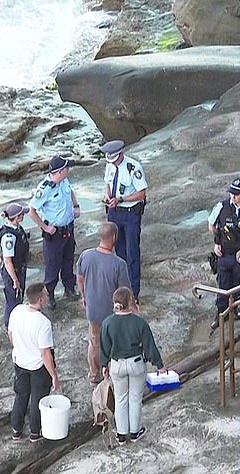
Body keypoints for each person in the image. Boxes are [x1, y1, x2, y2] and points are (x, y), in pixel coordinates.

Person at [100, 286, 164, 445]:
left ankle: (121, 435)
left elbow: (104, 347)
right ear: (131, 302)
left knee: (121, 400)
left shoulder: (107, 322)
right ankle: (135, 433)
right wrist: (159, 365)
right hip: (136, 364)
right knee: (135, 399)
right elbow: (150, 346)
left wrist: (104, 365)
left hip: (117, 365)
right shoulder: (140, 322)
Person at [77, 222, 131, 385]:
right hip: (112, 314)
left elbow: (80, 279)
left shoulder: (85, 255)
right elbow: (125, 291)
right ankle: (112, 374)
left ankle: (94, 375)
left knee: (94, 342)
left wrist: (84, 296)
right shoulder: (119, 264)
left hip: (93, 310)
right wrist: (133, 308)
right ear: (114, 237)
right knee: (115, 344)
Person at [8, 282, 60, 442]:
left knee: (21, 396)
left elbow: (10, 334)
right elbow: (45, 353)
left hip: (20, 361)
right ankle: (34, 433)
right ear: (40, 300)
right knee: (38, 398)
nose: (48, 296)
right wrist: (54, 376)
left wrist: (20, 348)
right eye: (45, 294)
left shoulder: (16, 311)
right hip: (38, 366)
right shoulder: (43, 323)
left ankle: (16, 430)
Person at [29, 155, 81, 310]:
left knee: (68, 260)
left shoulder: (64, 181)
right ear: (59, 171)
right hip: (54, 233)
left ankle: (69, 289)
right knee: (52, 266)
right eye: (66, 168)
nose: (68, 170)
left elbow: (70, 191)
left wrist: (76, 205)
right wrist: (44, 228)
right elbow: (32, 211)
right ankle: (49, 295)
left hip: (68, 228)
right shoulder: (44, 189)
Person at [100, 140, 147, 303]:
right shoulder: (110, 165)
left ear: (120, 154)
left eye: (114, 158)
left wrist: (121, 199)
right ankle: (121, 286)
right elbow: (107, 182)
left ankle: (134, 291)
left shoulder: (133, 167)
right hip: (114, 213)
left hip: (130, 213)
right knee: (118, 251)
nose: (112, 162)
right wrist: (108, 195)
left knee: (131, 251)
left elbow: (141, 193)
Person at [207, 177, 240, 330]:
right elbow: (211, 225)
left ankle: (236, 308)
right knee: (223, 285)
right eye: (232, 193)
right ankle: (221, 313)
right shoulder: (222, 206)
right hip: (224, 254)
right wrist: (217, 242)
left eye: (237, 194)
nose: (233, 196)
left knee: (239, 282)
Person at [0, 202, 30, 328]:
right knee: (13, 301)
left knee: (19, 298)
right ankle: (10, 328)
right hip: (13, 272)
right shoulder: (8, 236)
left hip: (19, 268)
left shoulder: (16, 228)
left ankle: (17, 324)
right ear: (17, 217)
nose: (23, 215)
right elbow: (7, 261)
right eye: (22, 214)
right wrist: (15, 279)